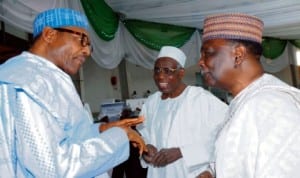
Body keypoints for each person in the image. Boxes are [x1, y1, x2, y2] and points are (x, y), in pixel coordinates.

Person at [0, 8, 147, 178]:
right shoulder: (27, 81)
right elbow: (52, 168)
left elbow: (66, 136)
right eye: (82, 40)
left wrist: (102, 129)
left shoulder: (46, 77)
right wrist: (118, 137)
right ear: (50, 34)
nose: (87, 51)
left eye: (89, 45)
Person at [198, 13, 300, 178]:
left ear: (238, 54)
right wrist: (212, 172)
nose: (200, 62)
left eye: (208, 53)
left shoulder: (274, 107)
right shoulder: (245, 101)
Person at [137, 46, 228, 178]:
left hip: (192, 173)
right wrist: (146, 148)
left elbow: (227, 137)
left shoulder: (201, 99)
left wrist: (183, 152)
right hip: (158, 173)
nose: (160, 76)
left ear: (181, 73)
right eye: (157, 70)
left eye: (168, 71)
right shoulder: (151, 102)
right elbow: (142, 134)